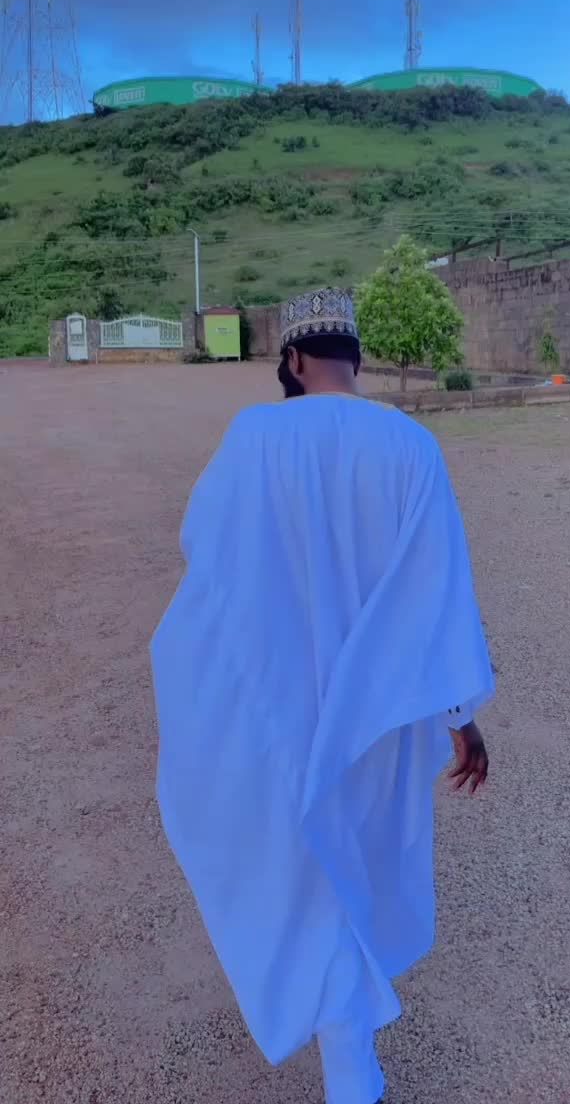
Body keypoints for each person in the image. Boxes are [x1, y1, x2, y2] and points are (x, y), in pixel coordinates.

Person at [151, 287, 494, 1104]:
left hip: (280, 699)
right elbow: (437, 590)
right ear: (357, 355)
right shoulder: (409, 444)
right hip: (376, 710)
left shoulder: (253, 436)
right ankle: (351, 1056)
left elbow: (209, 558)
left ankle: (349, 1057)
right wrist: (460, 717)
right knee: (357, 855)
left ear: (296, 359)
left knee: (306, 865)